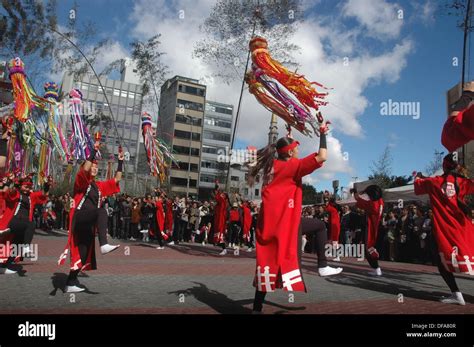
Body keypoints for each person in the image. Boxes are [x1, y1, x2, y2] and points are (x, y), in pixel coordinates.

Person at [249, 122, 329, 313]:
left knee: (267, 262)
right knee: (319, 226)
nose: (298, 151)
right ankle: (323, 265)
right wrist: (323, 133)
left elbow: (280, 150)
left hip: (268, 223)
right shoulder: (295, 166)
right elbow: (323, 156)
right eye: (296, 148)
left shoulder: (270, 165)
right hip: (286, 222)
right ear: (290, 153)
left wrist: (289, 135)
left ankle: (257, 307)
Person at [58, 140, 123, 293]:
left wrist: (120, 162)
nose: (94, 167)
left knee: (83, 253)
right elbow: (85, 168)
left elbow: (117, 180)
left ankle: (70, 283)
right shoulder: (81, 181)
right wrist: (93, 152)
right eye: (92, 165)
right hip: (80, 218)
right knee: (102, 211)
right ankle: (104, 244)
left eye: (96, 166)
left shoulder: (99, 186)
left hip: (89, 223)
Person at [414, 154, 474, 305]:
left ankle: (457, 294)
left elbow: (418, 186)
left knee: (441, 261)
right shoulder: (463, 182)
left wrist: (417, 176)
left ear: (444, 165)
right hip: (462, 226)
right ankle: (457, 295)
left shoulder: (434, 182)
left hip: (444, 228)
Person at [351, 184, 384, 276]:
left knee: (369, 248)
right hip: (375, 226)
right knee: (370, 247)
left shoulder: (372, 204)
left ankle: (376, 268)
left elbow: (358, 199)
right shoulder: (380, 201)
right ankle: (376, 268)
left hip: (370, 227)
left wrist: (355, 192)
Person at [324, 196, 341, 261]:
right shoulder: (334, 210)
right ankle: (331, 252)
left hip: (334, 227)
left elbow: (326, 208)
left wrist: (326, 199)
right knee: (331, 240)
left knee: (335, 242)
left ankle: (338, 256)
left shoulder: (333, 210)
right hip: (334, 226)